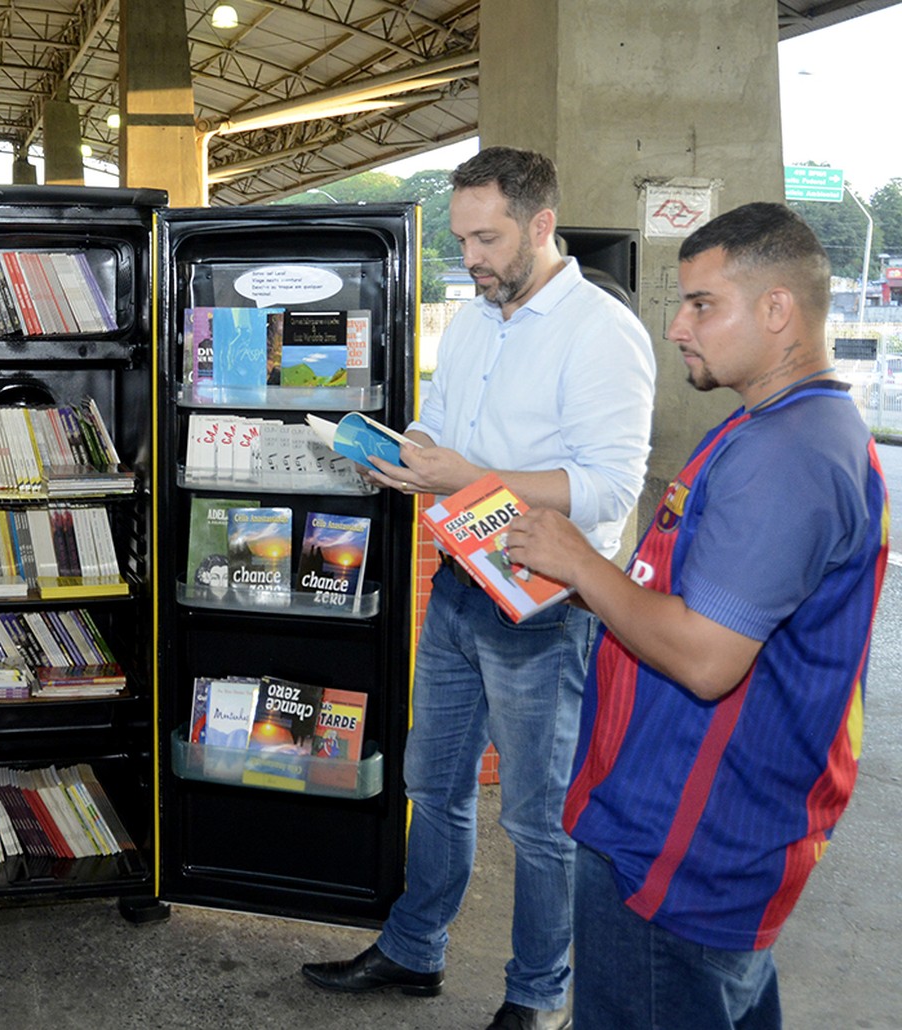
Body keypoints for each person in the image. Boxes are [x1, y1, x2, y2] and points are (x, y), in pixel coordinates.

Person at [507, 202, 889, 1029]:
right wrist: (582, 579)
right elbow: (682, 600)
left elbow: (709, 658)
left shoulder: (789, 455)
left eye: (702, 304)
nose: (677, 325)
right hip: (684, 826)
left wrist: (580, 562)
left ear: (778, 309)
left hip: (686, 846)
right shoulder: (771, 428)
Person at [301, 146, 657, 1030]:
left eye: (487, 238)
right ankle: (415, 950)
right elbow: (442, 425)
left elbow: (608, 487)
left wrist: (468, 475)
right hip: (459, 583)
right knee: (435, 783)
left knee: (539, 820)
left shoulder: (602, 332)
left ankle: (537, 997)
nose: (472, 258)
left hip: (546, 605)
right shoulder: (472, 320)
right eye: (462, 239)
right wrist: (403, 453)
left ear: (543, 224)